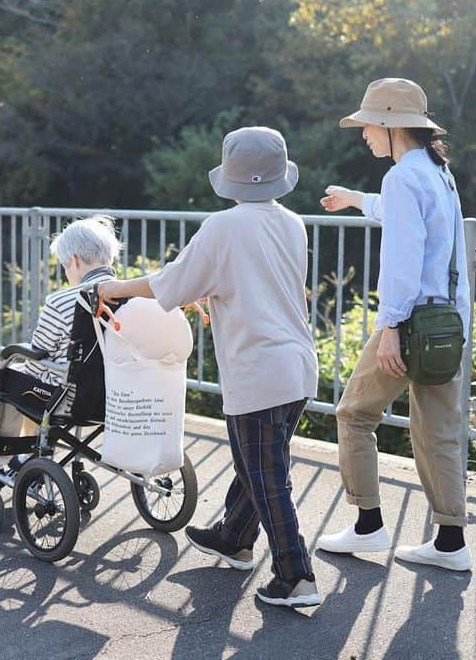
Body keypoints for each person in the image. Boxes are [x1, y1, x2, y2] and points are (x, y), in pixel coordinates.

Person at [99, 126, 321, 608]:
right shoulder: (292, 223)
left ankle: (296, 576)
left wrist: (114, 289)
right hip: (298, 365)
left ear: (232, 177)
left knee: (266, 475)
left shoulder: (223, 227)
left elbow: (169, 283)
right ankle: (233, 537)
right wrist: (211, 290)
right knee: (257, 464)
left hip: (257, 369)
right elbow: (251, 280)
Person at [316, 77, 472, 571]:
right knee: (437, 431)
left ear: (390, 125)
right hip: (448, 324)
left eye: (367, 125)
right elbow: (409, 223)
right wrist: (355, 198)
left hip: (409, 323)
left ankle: (368, 526)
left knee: (354, 415)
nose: (363, 133)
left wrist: (389, 327)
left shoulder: (403, 177)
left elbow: (402, 259)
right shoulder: (436, 172)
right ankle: (450, 543)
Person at [0, 215, 120, 497]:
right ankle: (25, 460)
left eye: (65, 266)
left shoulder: (63, 301)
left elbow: (38, 352)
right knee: (34, 382)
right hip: (117, 398)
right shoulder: (133, 297)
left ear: (74, 260)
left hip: (70, 400)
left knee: (6, 385)